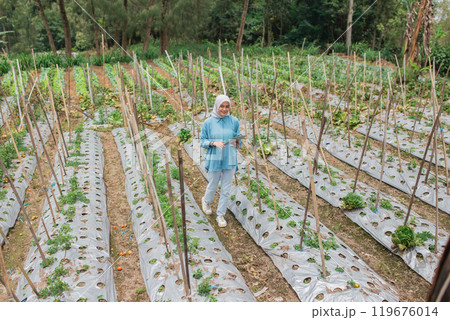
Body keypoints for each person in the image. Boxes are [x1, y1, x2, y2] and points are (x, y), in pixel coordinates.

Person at [200, 94, 242, 227]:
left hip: (229, 158)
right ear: (217, 106)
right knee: (213, 185)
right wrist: (213, 143)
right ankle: (206, 201)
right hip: (214, 158)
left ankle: (220, 214)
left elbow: (238, 139)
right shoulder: (208, 122)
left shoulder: (234, 121)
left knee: (226, 189)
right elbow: (202, 141)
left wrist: (237, 143)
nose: (224, 109)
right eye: (222, 106)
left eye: (227, 106)